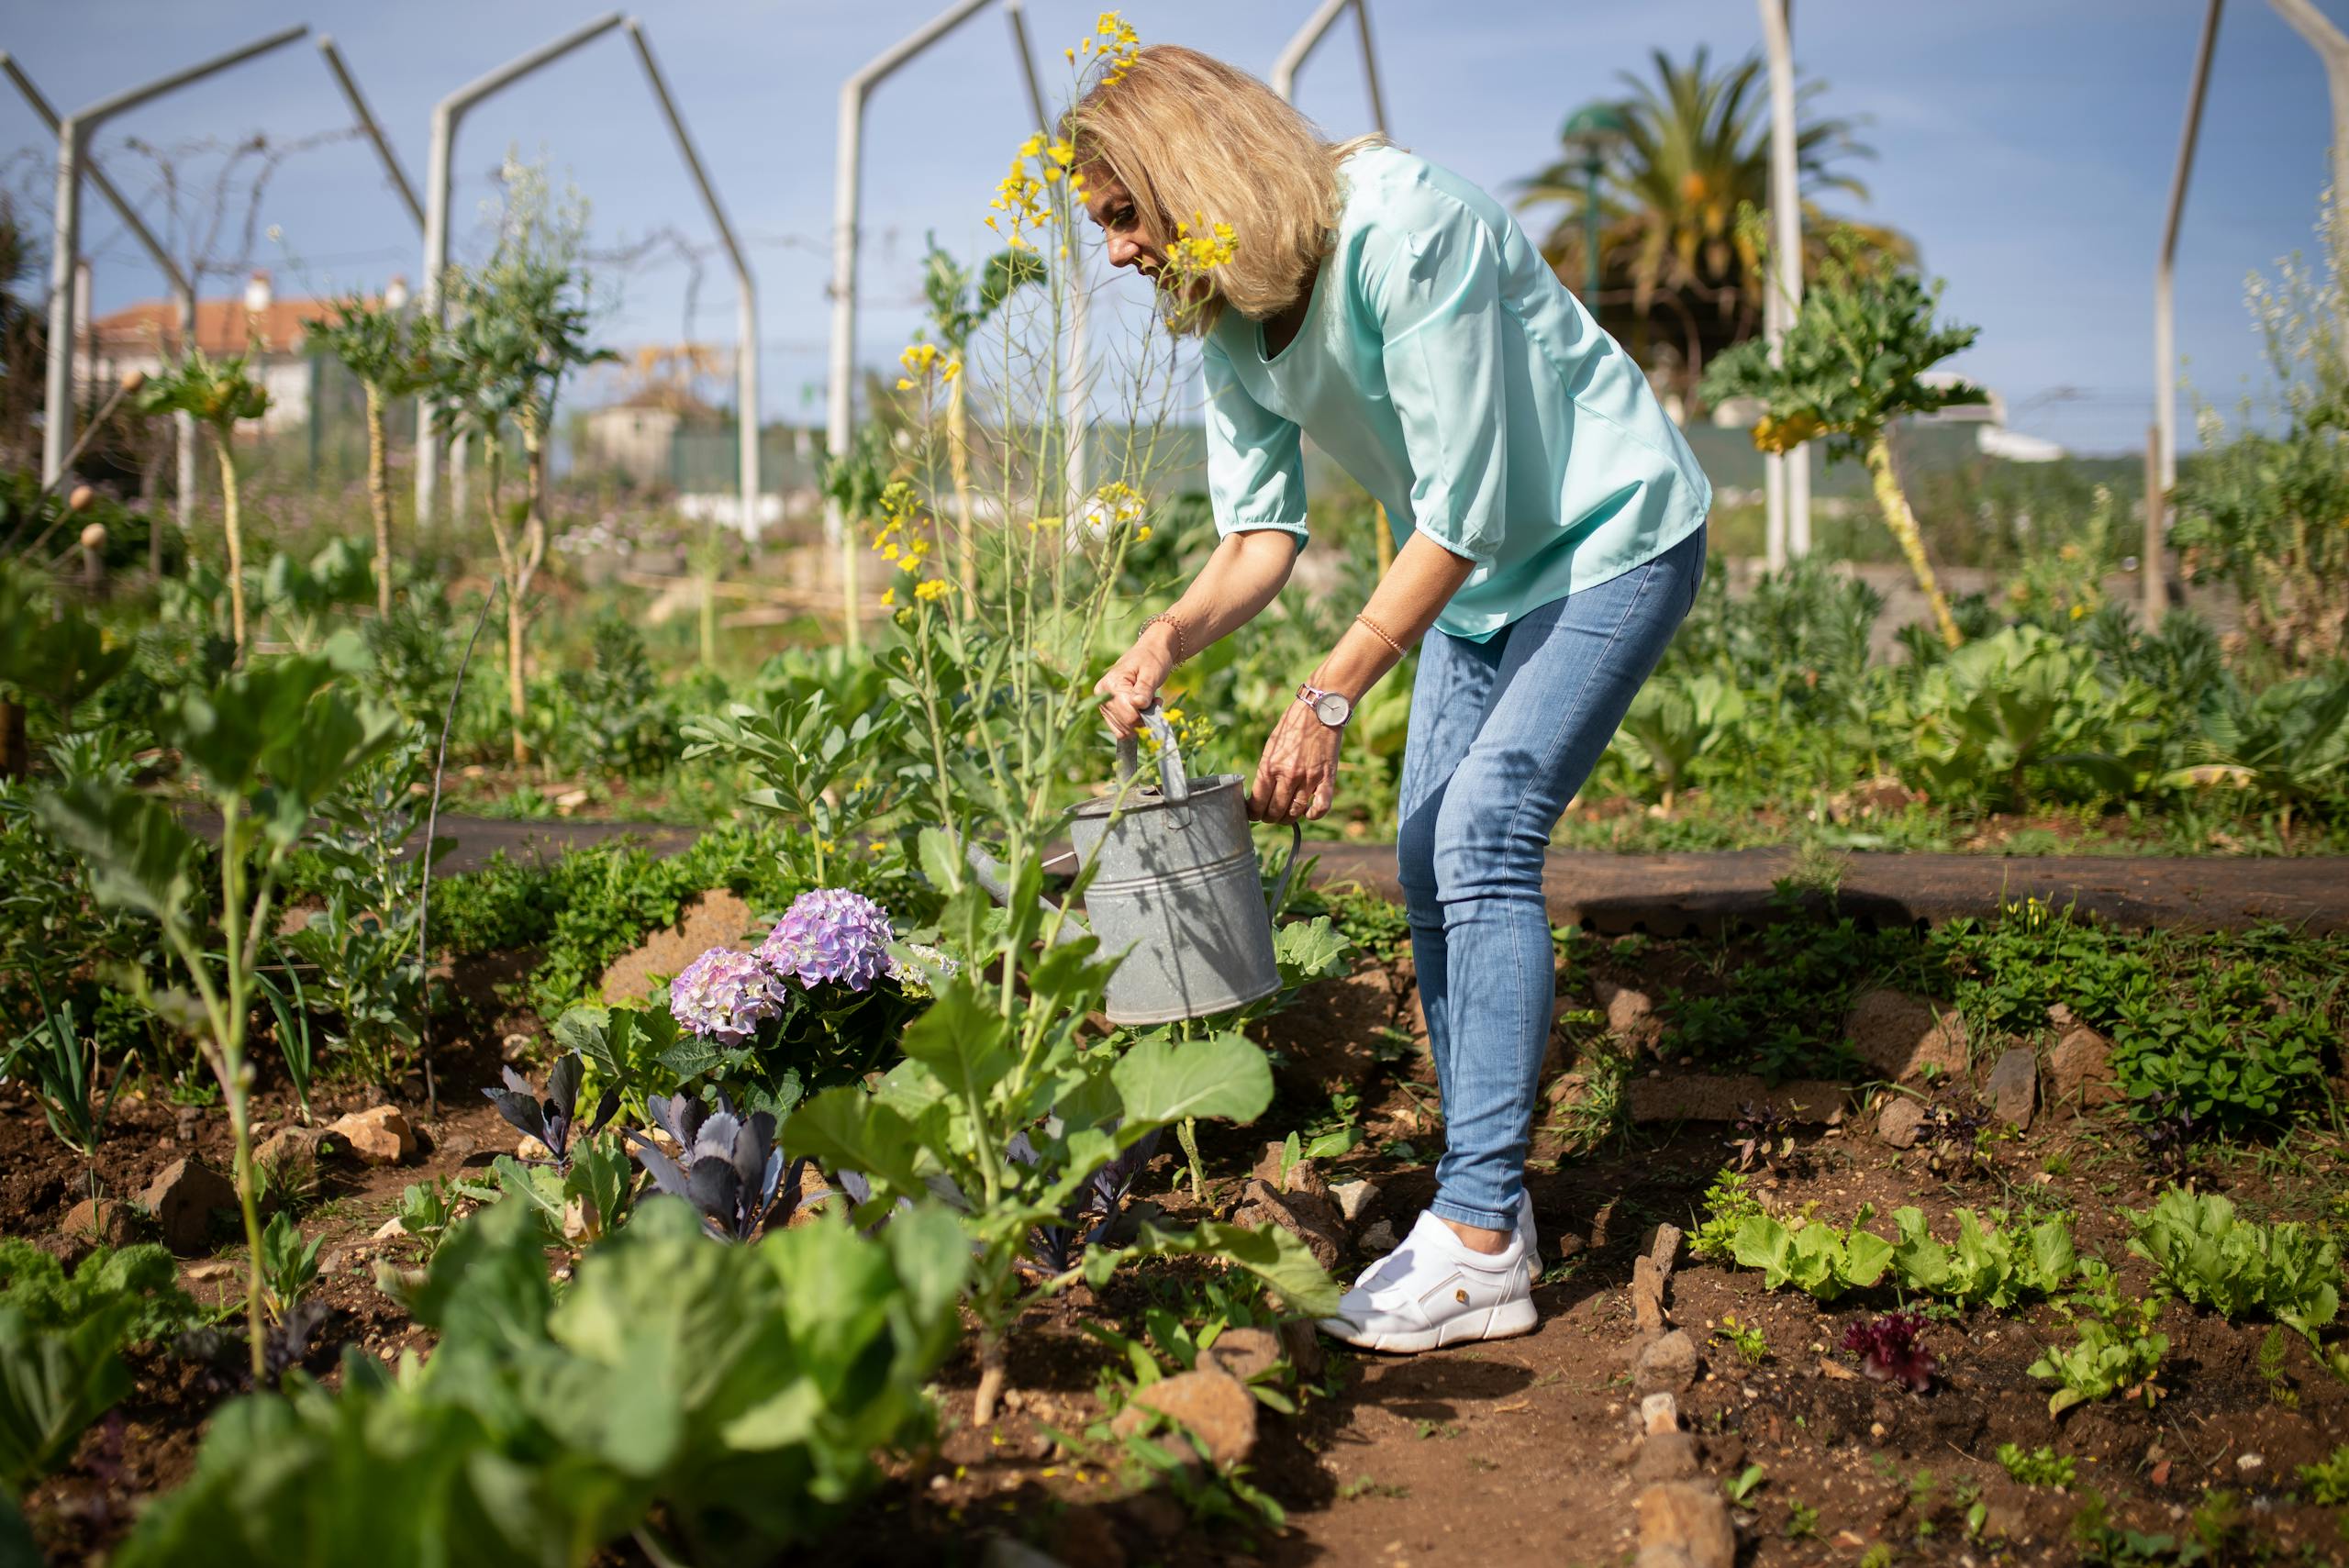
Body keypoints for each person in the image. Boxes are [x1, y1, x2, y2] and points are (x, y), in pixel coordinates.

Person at [1083, 46, 1710, 1353]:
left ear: (1184, 176)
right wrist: (1169, 632)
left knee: (1484, 835)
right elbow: (1260, 531)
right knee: (1428, 855)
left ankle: (1481, 1232)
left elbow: (1468, 507)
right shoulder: (1226, 310)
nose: (1118, 252)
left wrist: (1329, 692)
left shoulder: (1406, 229)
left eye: (1124, 216)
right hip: (1476, 585)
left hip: (1607, 537)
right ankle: (1493, 1208)